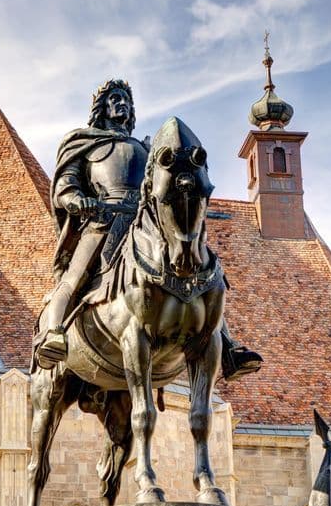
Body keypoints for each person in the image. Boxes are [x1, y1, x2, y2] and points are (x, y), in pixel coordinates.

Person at [35, 78, 261, 380]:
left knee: (203, 271)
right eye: (114, 99)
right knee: (73, 279)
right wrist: (78, 201)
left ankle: (228, 346)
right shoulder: (86, 143)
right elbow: (66, 185)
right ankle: (53, 334)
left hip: (144, 221)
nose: (122, 104)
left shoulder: (145, 149)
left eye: (126, 100)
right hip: (102, 220)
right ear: (101, 108)